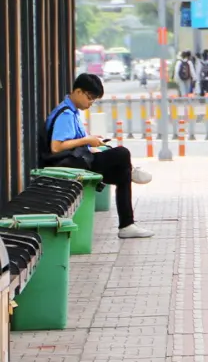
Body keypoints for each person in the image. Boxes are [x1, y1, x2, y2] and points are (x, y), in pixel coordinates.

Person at [43, 73, 154, 239]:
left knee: (122, 174)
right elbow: (56, 147)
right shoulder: (65, 114)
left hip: (79, 159)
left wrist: (92, 143)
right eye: (90, 98)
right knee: (122, 153)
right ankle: (132, 172)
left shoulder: (72, 112)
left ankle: (127, 225)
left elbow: (75, 143)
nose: (90, 103)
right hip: (70, 164)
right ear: (78, 91)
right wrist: (87, 140)